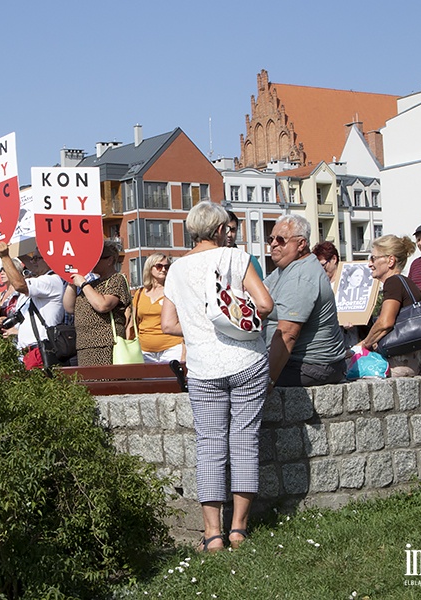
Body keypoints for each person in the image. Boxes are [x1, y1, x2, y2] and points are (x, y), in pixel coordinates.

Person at [160, 200, 273, 552]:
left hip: (204, 368)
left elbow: (166, 324)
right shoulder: (235, 258)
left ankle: (212, 535)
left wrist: (198, 331)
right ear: (221, 229)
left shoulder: (176, 270)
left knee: (209, 446)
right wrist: (239, 317)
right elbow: (266, 305)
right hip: (247, 361)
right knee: (245, 441)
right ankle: (238, 529)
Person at [263, 214, 347, 387]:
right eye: (270, 239)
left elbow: (288, 334)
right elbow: (259, 297)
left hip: (314, 366)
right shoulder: (285, 268)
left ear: (301, 244)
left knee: (242, 383)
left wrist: (268, 381)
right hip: (299, 361)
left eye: (281, 239)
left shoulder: (301, 276)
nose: (273, 244)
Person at [360, 235, 421, 377]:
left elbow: (385, 322)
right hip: (413, 362)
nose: (370, 264)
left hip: (399, 364)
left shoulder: (393, 282)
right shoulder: (406, 282)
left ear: (390, 260)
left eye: (373, 258)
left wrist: (364, 345)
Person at [0, 242, 66, 370]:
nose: (32, 262)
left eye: (36, 258)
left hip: (40, 351)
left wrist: (5, 257)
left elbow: (19, 285)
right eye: (32, 258)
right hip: (29, 352)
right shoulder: (42, 280)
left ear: (49, 260)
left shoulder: (51, 280)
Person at [63, 240, 130, 366]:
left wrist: (83, 284)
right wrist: (72, 282)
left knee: (105, 382)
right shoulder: (92, 284)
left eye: (96, 258)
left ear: (109, 260)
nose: (92, 262)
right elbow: (69, 307)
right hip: (85, 345)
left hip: (105, 344)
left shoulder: (116, 279)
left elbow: (103, 305)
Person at [132, 253, 183, 364]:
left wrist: (184, 350)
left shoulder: (174, 291)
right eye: (159, 266)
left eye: (167, 267)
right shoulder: (139, 293)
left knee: (172, 381)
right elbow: (133, 323)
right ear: (150, 268)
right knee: (149, 382)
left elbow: (183, 320)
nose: (163, 269)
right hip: (145, 350)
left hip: (172, 347)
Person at [225, 210, 264, 279]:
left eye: (233, 230)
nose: (229, 234)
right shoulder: (210, 259)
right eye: (226, 229)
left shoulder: (249, 260)